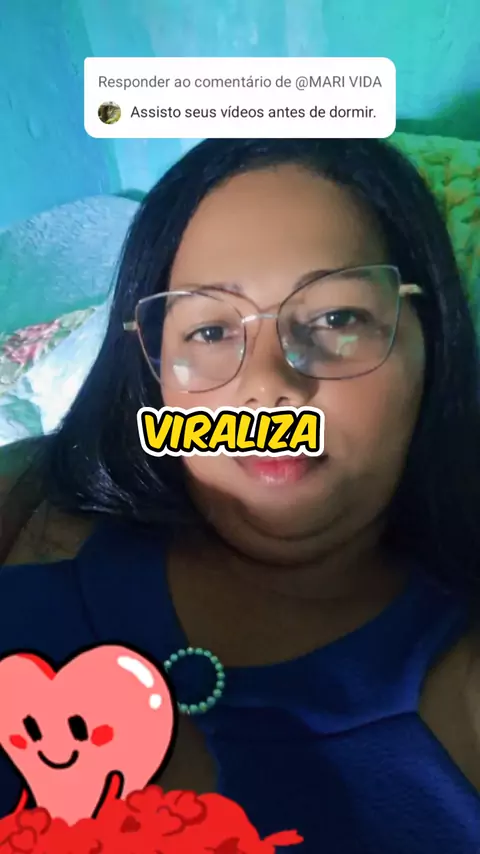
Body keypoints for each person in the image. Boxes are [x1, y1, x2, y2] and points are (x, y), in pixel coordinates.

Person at [1, 137, 480, 853]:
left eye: (337, 318)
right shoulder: (34, 504)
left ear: (431, 341)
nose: (267, 386)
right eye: (211, 329)